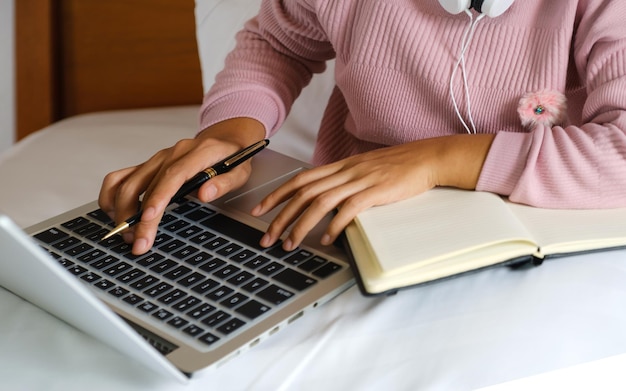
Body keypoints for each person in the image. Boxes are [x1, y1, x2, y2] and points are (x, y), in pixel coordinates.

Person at [98, 0, 626, 256]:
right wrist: (232, 134)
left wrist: (437, 158)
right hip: (354, 222)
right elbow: (277, 45)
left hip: (543, 228)